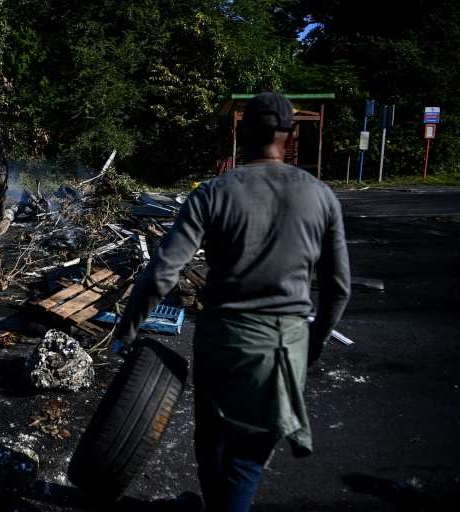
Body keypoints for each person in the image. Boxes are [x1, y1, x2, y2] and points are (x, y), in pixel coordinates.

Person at [113, 92, 351, 511]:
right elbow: (338, 289)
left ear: (242, 133)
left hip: (221, 340)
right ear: (292, 136)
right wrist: (310, 345)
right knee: (246, 461)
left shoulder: (213, 192)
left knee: (212, 446)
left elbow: (163, 271)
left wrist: (127, 329)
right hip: (282, 347)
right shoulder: (321, 196)